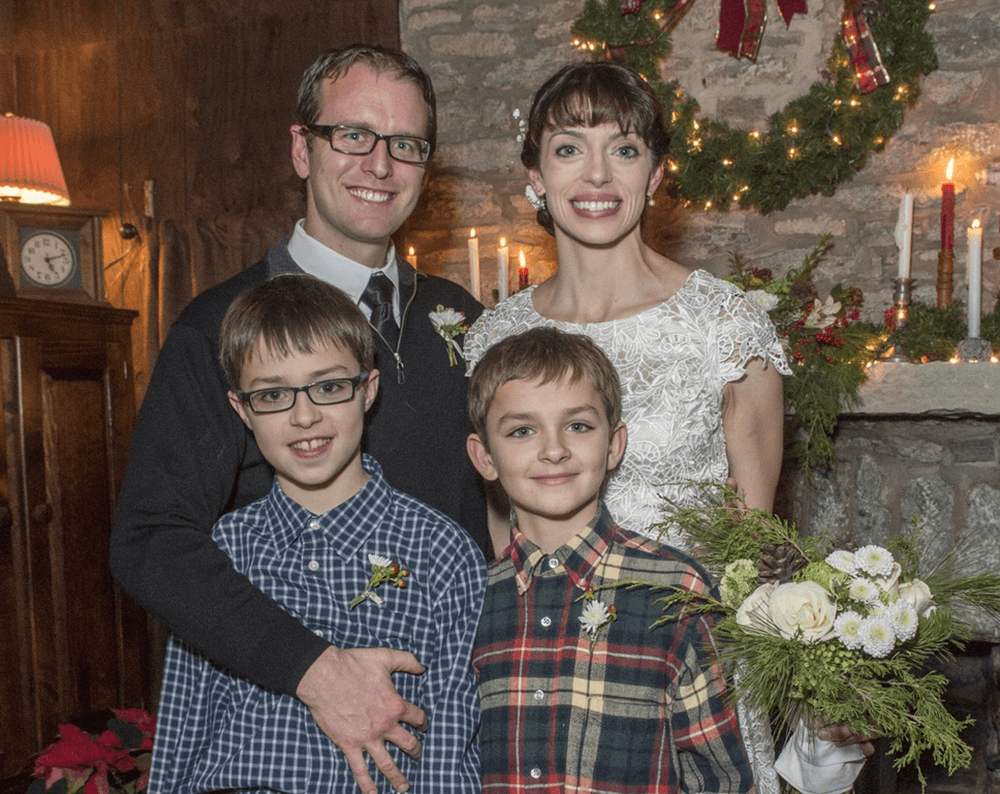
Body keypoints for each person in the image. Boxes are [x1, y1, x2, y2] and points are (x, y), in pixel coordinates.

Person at [463, 61, 870, 794]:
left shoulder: (726, 325)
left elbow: (759, 548)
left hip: (693, 655)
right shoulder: (496, 334)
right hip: (551, 662)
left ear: (654, 175)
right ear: (534, 175)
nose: (596, 176)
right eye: (568, 149)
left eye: (623, 149)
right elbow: (505, 534)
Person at [110, 45, 486, 794]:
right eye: (353, 135)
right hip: (278, 734)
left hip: (438, 737)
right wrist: (315, 671)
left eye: (405, 145)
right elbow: (150, 541)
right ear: (300, 148)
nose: (379, 165)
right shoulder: (214, 328)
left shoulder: (461, 319)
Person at [149, 275, 485, 793]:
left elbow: (450, 746)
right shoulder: (221, 553)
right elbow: (183, 727)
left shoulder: (440, 550)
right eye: (274, 394)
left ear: (368, 389)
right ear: (241, 410)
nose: (304, 417)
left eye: (329, 387)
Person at [465, 326, 754, 792]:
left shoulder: (676, 589)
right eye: (522, 430)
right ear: (485, 458)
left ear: (614, 444)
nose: (554, 449)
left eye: (578, 426)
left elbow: (720, 777)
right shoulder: (470, 596)